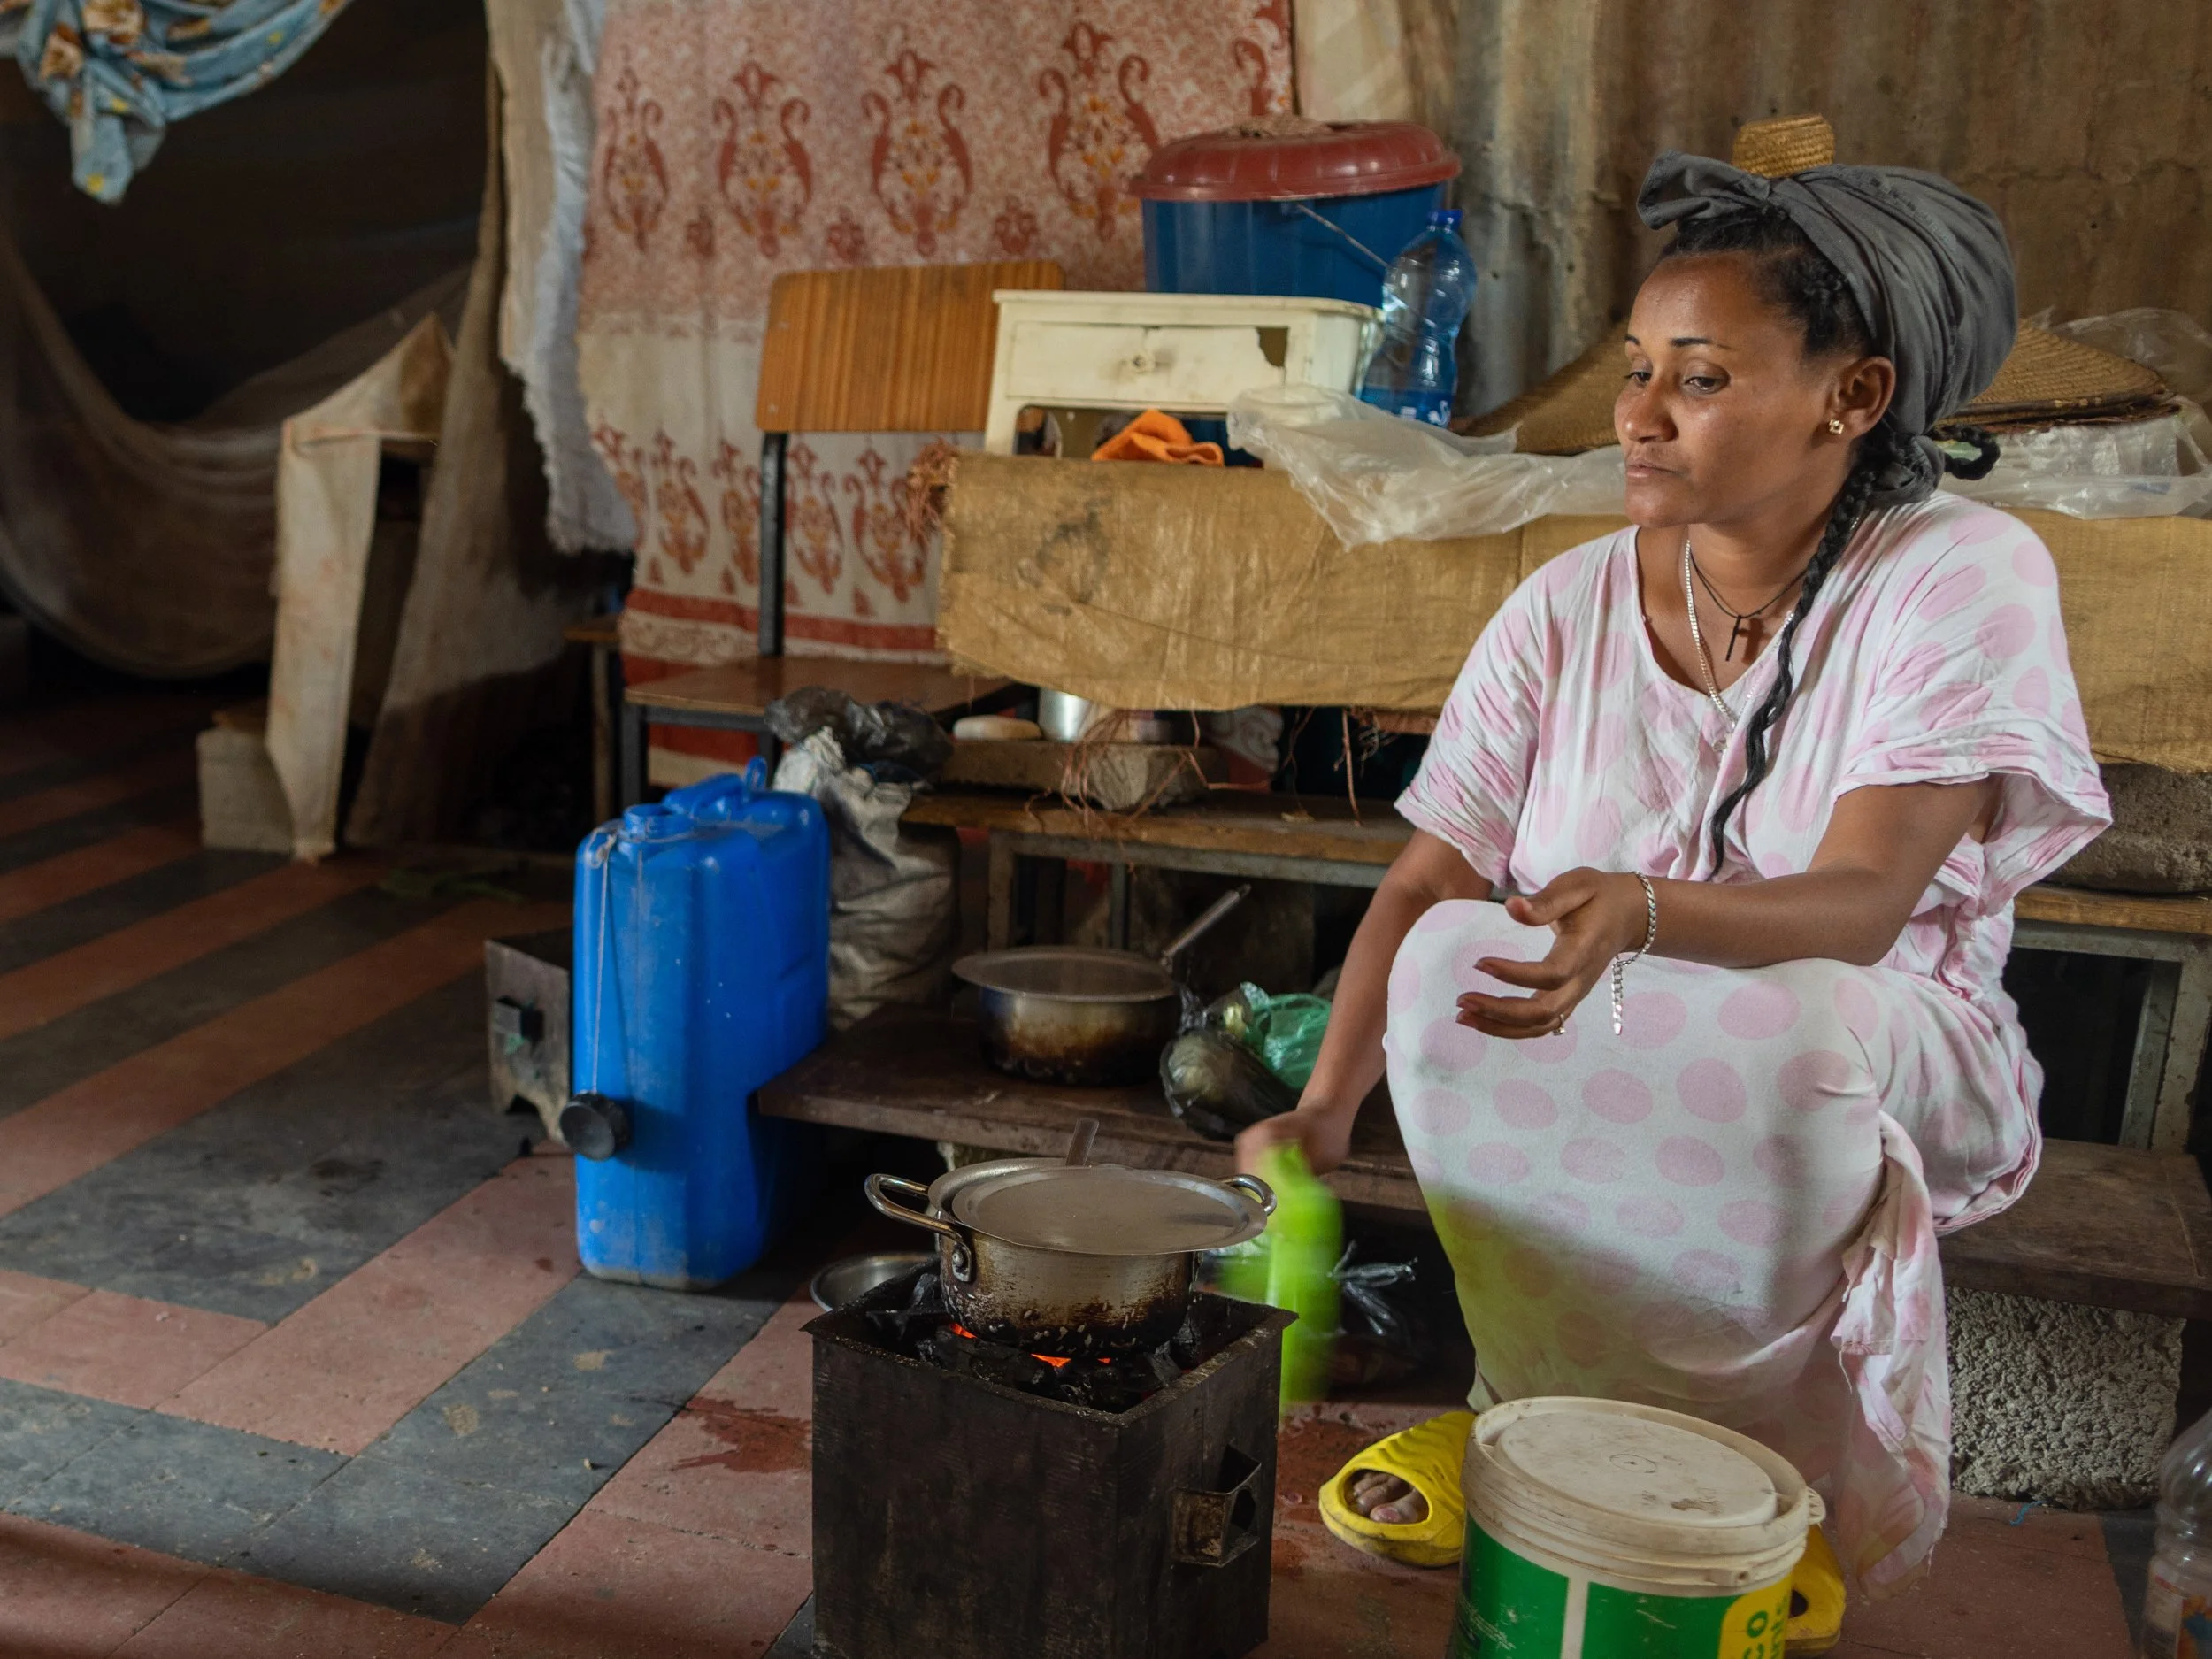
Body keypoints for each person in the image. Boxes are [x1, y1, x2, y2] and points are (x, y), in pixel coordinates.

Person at [1236, 146, 2108, 1615]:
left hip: (1887, 1040)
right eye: (1637, 369)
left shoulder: (1961, 573)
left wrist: (1642, 909)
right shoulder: (1566, 604)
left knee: (1790, 1031)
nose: (1637, 415)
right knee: (1455, 958)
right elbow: (1431, 879)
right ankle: (1526, 1410)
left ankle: (1769, 1478)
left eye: (1699, 379)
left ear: (1855, 396)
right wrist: (1324, 1108)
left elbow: (1865, 905)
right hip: (1646, 1033)